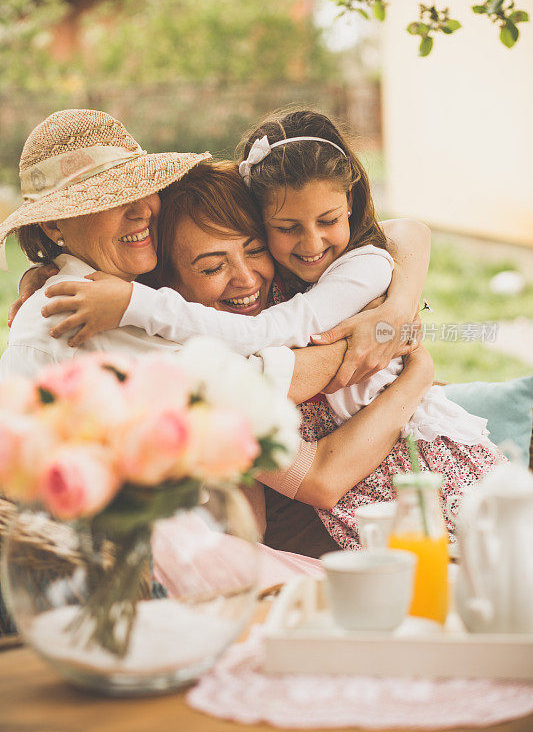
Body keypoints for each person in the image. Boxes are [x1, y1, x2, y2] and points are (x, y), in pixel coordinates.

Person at [36, 110, 506, 547]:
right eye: (212, 266)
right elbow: (317, 477)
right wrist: (416, 370)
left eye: (255, 248)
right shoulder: (173, 348)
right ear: (169, 287)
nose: (246, 279)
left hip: (423, 472)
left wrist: (399, 308)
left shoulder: (303, 274)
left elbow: (405, 232)